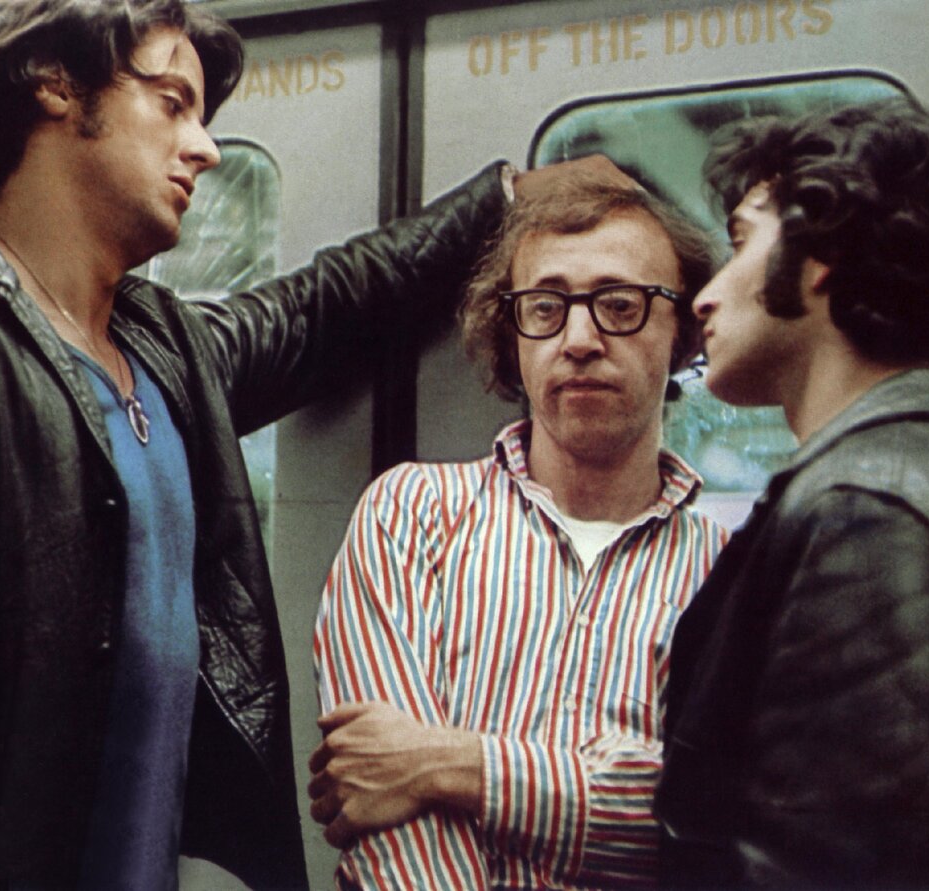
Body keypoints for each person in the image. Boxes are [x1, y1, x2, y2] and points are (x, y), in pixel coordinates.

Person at [0, 0, 593, 886]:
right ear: (52, 82)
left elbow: (323, 306)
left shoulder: (162, 346)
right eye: (172, 103)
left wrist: (506, 202)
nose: (206, 148)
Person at [654, 99, 929, 889]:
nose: (705, 297)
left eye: (742, 242)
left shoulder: (875, 508)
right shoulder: (900, 480)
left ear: (822, 254)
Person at [309, 171, 729, 888]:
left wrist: (453, 762)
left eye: (620, 305)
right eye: (544, 307)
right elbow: (387, 817)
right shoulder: (411, 514)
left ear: (683, 332)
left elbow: (703, 829)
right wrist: (596, 788)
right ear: (513, 335)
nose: (579, 339)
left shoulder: (729, 577)